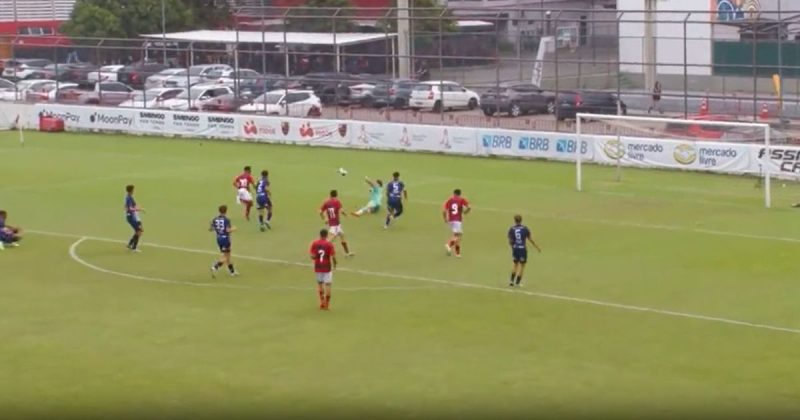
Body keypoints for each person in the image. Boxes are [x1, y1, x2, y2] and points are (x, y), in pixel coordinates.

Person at [507, 214, 542, 287]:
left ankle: (511, 281)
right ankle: (517, 282)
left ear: (514, 220)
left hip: (515, 248)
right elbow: (530, 239)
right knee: (522, 265)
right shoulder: (525, 229)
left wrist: (513, 248)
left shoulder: (511, 229)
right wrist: (537, 247)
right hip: (522, 249)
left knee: (515, 264)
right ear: (521, 220)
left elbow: (510, 241)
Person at [310, 228, 337, 310]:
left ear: (320, 235)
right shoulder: (329, 244)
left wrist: (316, 257)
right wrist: (335, 264)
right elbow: (333, 256)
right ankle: (327, 304)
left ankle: (321, 302)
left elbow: (312, 256)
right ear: (326, 235)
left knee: (320, 284)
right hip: (327, 267)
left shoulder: (315, 243)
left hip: (318, 266)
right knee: (328, 284)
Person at [320, 190, 353, 257]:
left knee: (342, 236)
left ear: (330, 195)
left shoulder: (326, 202)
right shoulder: (337, 201)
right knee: (330, 239)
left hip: (336, 224)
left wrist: (324, 218)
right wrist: (346, 215)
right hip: (335, 224)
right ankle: (321, 249)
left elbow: (320, 211)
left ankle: (347, 253)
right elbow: (341, 210)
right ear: (336, 195)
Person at [210, 205, 238, 278]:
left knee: (227, 256)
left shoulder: (215, 219)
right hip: (225, 239)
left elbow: (211, 229)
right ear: (226, 211)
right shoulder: (226, 219)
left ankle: (232, 272)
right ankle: (215, 267)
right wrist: (234, 229)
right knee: (226, 256)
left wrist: (218, 230)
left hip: (218, 238)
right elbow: (227, 230)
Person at [443, 189, 470, 257]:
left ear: (454, 193)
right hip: (457, 220)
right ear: (460, 194)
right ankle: (449, 245)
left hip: (451, 220)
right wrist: (465, 212)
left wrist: (445, 219)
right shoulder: (461, 199)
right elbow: (469, 207)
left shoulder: (449, 200)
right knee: (459, 236)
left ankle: (457, 253)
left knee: (457, 236)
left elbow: (444, 211)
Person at [124, 184, 144, 252]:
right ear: (131, 190)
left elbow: (134, 205)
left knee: (139, 231)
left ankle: (130, 245)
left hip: (135, 216)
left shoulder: (130, 197)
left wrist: (138, 208)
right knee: (139, 231)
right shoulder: (128, 198)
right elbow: (130, 208)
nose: (134, 191)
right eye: (133, 190)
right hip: (131, 217)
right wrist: (138, 209)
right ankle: (134, 248)